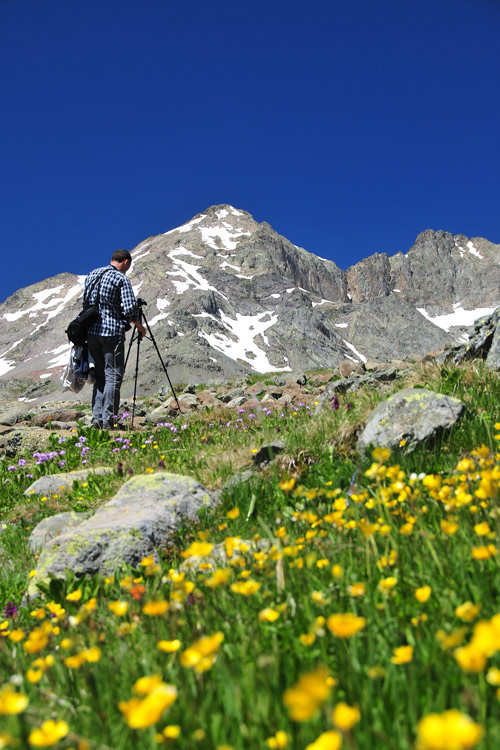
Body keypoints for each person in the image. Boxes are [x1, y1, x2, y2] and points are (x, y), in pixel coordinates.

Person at [84, 249, 146, 429]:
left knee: (100, 377)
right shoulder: (121, 279)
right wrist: (139, 327)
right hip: (111, 332)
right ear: (125, 262)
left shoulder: (92, 275)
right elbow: (129, 308)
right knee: (113, 376)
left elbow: (87, 303)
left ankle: (97, 420)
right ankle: (109, 420)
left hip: (92, 333)